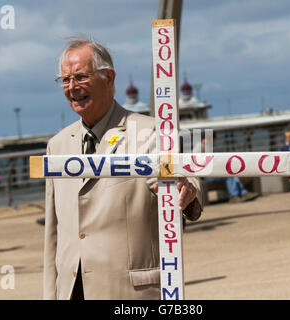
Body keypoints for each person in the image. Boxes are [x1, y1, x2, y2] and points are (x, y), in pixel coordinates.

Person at [44, 37, 203, 300]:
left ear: (109, 77)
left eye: (81, 77)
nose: (72, 87)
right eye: (65, 79)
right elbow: (53, 233)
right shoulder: (56, 145)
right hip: (71, 292)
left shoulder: (149, 132)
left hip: (131, 295)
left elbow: (186, 181)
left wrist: (186, 191)